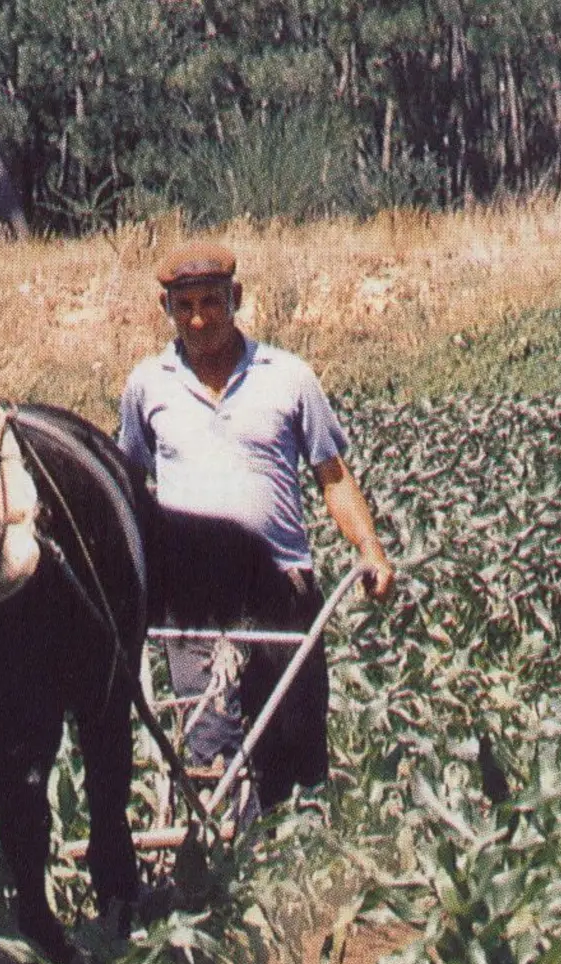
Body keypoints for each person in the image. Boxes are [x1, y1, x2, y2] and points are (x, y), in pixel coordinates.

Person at [116, 240, 395, 817]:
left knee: (292, 746)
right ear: (166, 308)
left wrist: (369, 548)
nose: (198, 318)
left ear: (235, 299)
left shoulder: (288, 377)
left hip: (279, 588)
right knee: (205, 749)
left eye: (211, 302)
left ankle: (300, 869)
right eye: (184, 305)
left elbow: (333, 475)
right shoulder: (148, 385)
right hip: (192, 602)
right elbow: (128, 486)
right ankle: (219, 873)